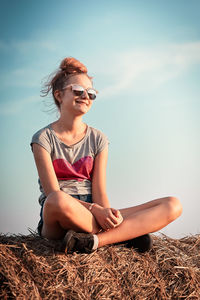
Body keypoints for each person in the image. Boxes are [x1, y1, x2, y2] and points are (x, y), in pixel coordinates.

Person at [31, 57, 182, 254]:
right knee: (57, 200)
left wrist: (108, 215)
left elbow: (100, 191)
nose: (85, 96)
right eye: (78, 91)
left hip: (93, 214)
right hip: (60, 215)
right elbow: (52, 193)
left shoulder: (98, 138)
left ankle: (94, 241)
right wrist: (95, 211)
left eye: (91, 93)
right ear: (59, 95)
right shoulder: (43, 138)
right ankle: (123, 235)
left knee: (172, 205)